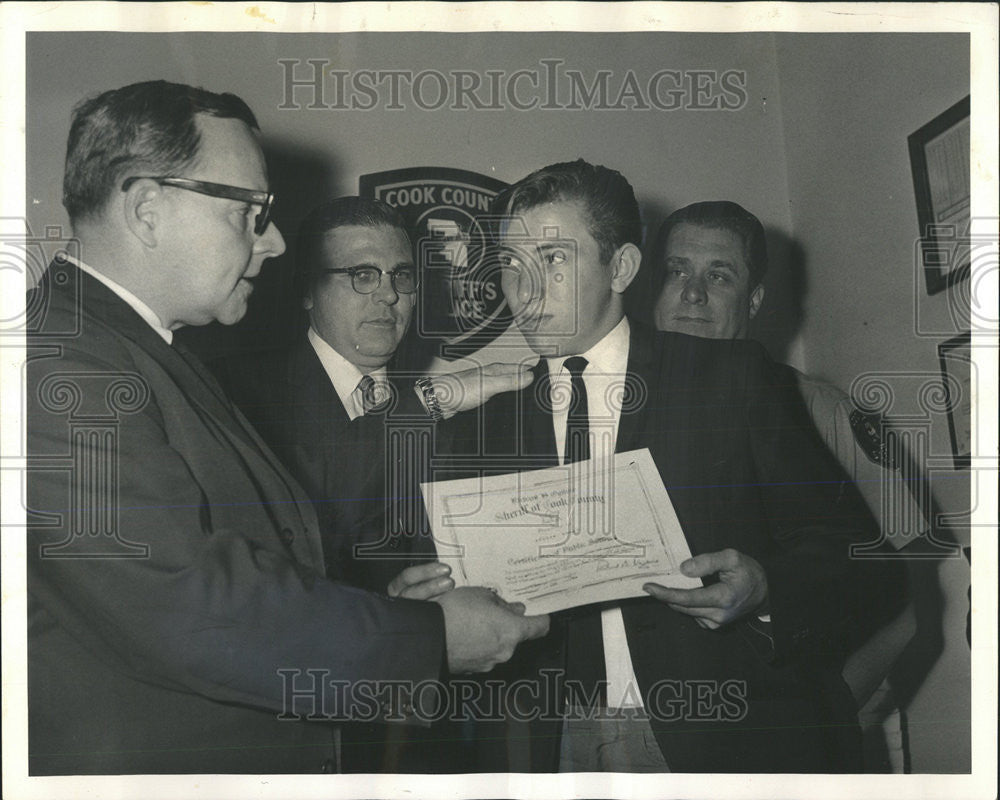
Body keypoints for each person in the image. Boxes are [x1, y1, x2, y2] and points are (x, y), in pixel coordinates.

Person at [25, 80, 548, 776]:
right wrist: (431, 638)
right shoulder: (60, 360)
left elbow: (248, 560)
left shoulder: (142, 351)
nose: (270, 242)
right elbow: (189, 610)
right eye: (249, 213)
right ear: (148, 209)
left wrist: (372, 603)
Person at [396, 159, 907, 773]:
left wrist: (768, 588)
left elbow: (864, 562)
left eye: (554, 260)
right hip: (553, 750)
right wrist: (414, 602)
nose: (524, 291)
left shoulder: (732, 379)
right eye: (509, 263)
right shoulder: (477, 429)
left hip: (731, 745)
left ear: (622, 268)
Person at [215, 195, 533, 770]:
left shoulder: (457, 414)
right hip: (284, 730)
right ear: (308, 290)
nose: (387, 294)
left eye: (401, 277)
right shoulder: (240, 395)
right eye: (361, 275)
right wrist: (430, 401)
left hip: (415, 738)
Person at [648, 199, 923, 771]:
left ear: (754, 301)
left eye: (718, 275)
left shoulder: (817, 409)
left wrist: (825, 711)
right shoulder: (618, 412)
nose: (692, 293)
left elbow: (907, 600)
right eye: (677, 271)